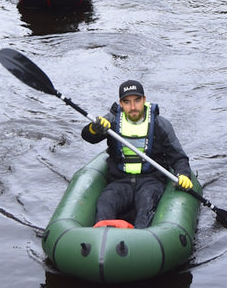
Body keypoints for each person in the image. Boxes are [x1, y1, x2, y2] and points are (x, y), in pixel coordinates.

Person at [82, 79, 194, 228]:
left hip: (151, 181)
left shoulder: (160, 124)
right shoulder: (111, 122)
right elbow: (88, 137)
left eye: (137, 100)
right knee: (105, 202)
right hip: (120, 182)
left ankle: (140, 237)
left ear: (144, 100)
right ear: (121, 103)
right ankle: (102, 235)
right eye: (127, 102)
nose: (133, 107)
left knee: (146, 206)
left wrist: (183, 174)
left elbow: (178, 157)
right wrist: (94, 128)